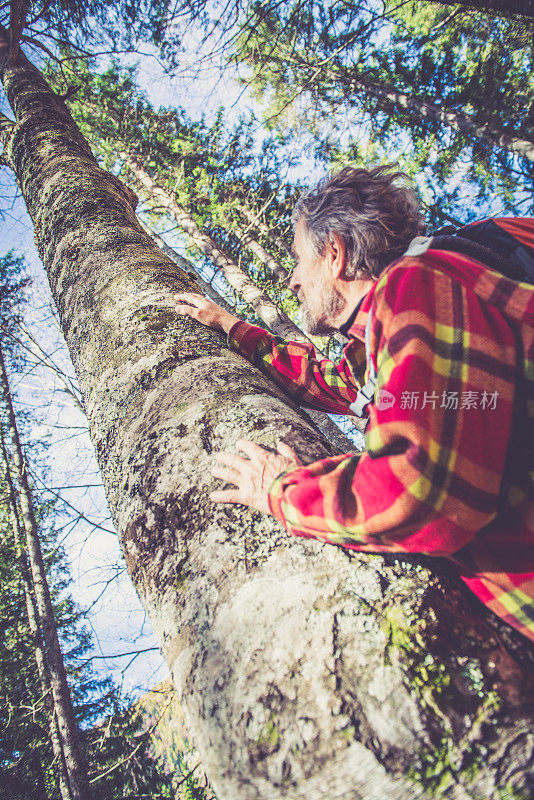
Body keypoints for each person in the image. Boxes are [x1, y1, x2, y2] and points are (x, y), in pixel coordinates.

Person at [174, 165, 534, 643]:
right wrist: (229, 326)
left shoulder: (414, 285)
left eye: (300, 261)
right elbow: (330, 382)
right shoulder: (383, 337)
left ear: (336, 254)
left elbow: (417, 490)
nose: (295, 281)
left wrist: (280, 492)